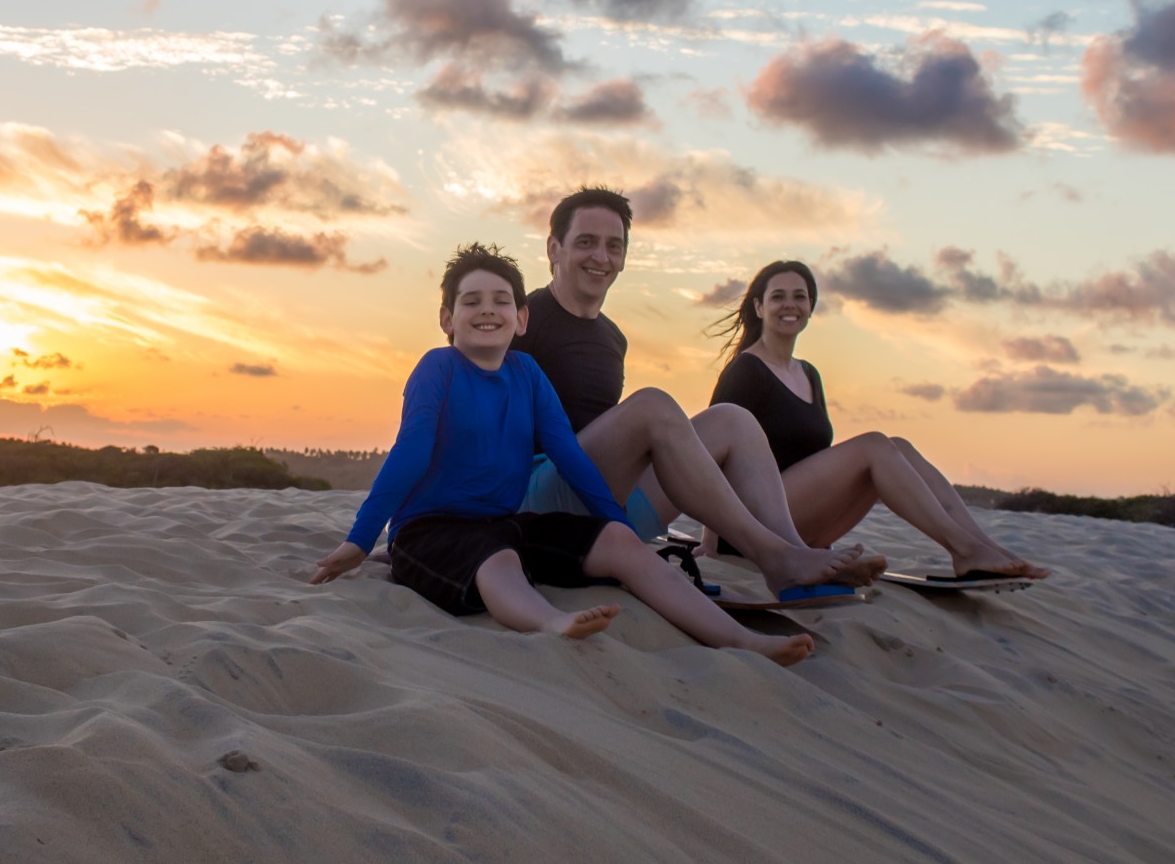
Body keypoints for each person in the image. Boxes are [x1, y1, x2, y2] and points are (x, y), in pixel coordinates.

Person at [311, 243, 816, 666]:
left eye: (501, 300)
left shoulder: (528, 374)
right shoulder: (437, 368)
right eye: (471, 302)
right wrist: (361, 540)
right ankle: (552, 622)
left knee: (618, 541)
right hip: (432, 530)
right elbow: (410, 453)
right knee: (499, 559)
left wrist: (610, 519)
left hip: (507, 519)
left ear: (522, 316)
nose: (487, 310)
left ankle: (742, 640)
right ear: (447, 318)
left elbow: (569, 456)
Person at [511, 187, 887, 594]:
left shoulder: (612, 339)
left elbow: (606, 440)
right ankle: (774, 557)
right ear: (554, 248)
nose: (601, 257)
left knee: (733, 420)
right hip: (533, 505)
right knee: (653, 405)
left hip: (604, 507)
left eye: (613, 245)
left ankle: (794, 554)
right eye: (586, 242)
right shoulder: (521, 322)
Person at [707, 260, 1048, 580]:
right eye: (777, 296)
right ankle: (965, 550)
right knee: (873, 446)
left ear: (811, 307)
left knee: (897, 447)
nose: (789, 305)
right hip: (750, 528)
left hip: (799, 528)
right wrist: (711, 547)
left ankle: (986, 548)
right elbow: (707, 456)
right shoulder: (747, 372)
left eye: (800, 296)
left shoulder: (809, 374)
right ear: (759, 307)